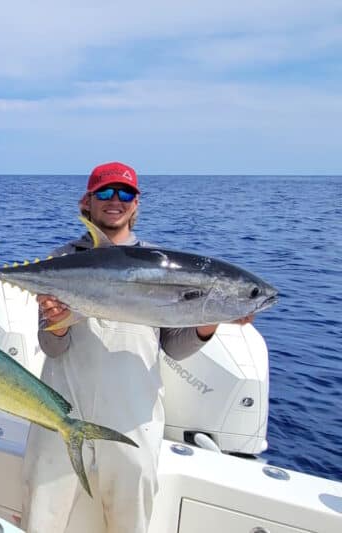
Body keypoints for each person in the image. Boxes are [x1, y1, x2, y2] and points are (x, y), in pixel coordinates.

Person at [21, 162, 252, 533]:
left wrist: (210, 320)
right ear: (88, 201)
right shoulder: (61, 260)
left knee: (130, 519)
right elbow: (51, 347)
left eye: (125, 193)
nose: (116, 201)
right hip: (63, 403)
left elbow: (174, 349)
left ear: (136, 203)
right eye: (106, 193)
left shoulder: (165, 266)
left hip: (134, 412)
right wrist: (55, 322)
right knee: (42, 513)